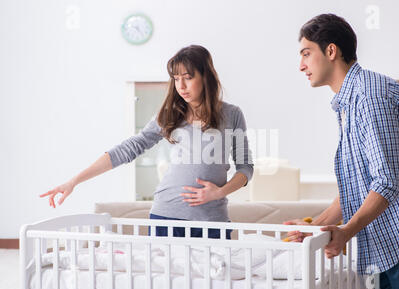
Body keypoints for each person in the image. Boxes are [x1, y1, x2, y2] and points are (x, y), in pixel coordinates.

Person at [284, 14, 399, 289]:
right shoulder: (350, 101)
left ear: (331, 51)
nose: (301, 66)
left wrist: (346, 231)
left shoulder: (371, 96)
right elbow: (360, 186)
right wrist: (315, 226)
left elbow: (386, 181)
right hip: (386, 238)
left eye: (306, 54)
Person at [40, 44, 253, 240]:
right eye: (176, 79)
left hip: (212, 219)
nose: (181, 86)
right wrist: (74, 181)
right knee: (165, 282)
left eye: (187, 77)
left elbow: (246, 168)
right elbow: (128, 149)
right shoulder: (171, 114)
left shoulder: (232, 114)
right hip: (166, 215)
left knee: (212, 281)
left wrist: (219, 192)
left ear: (205, 77)